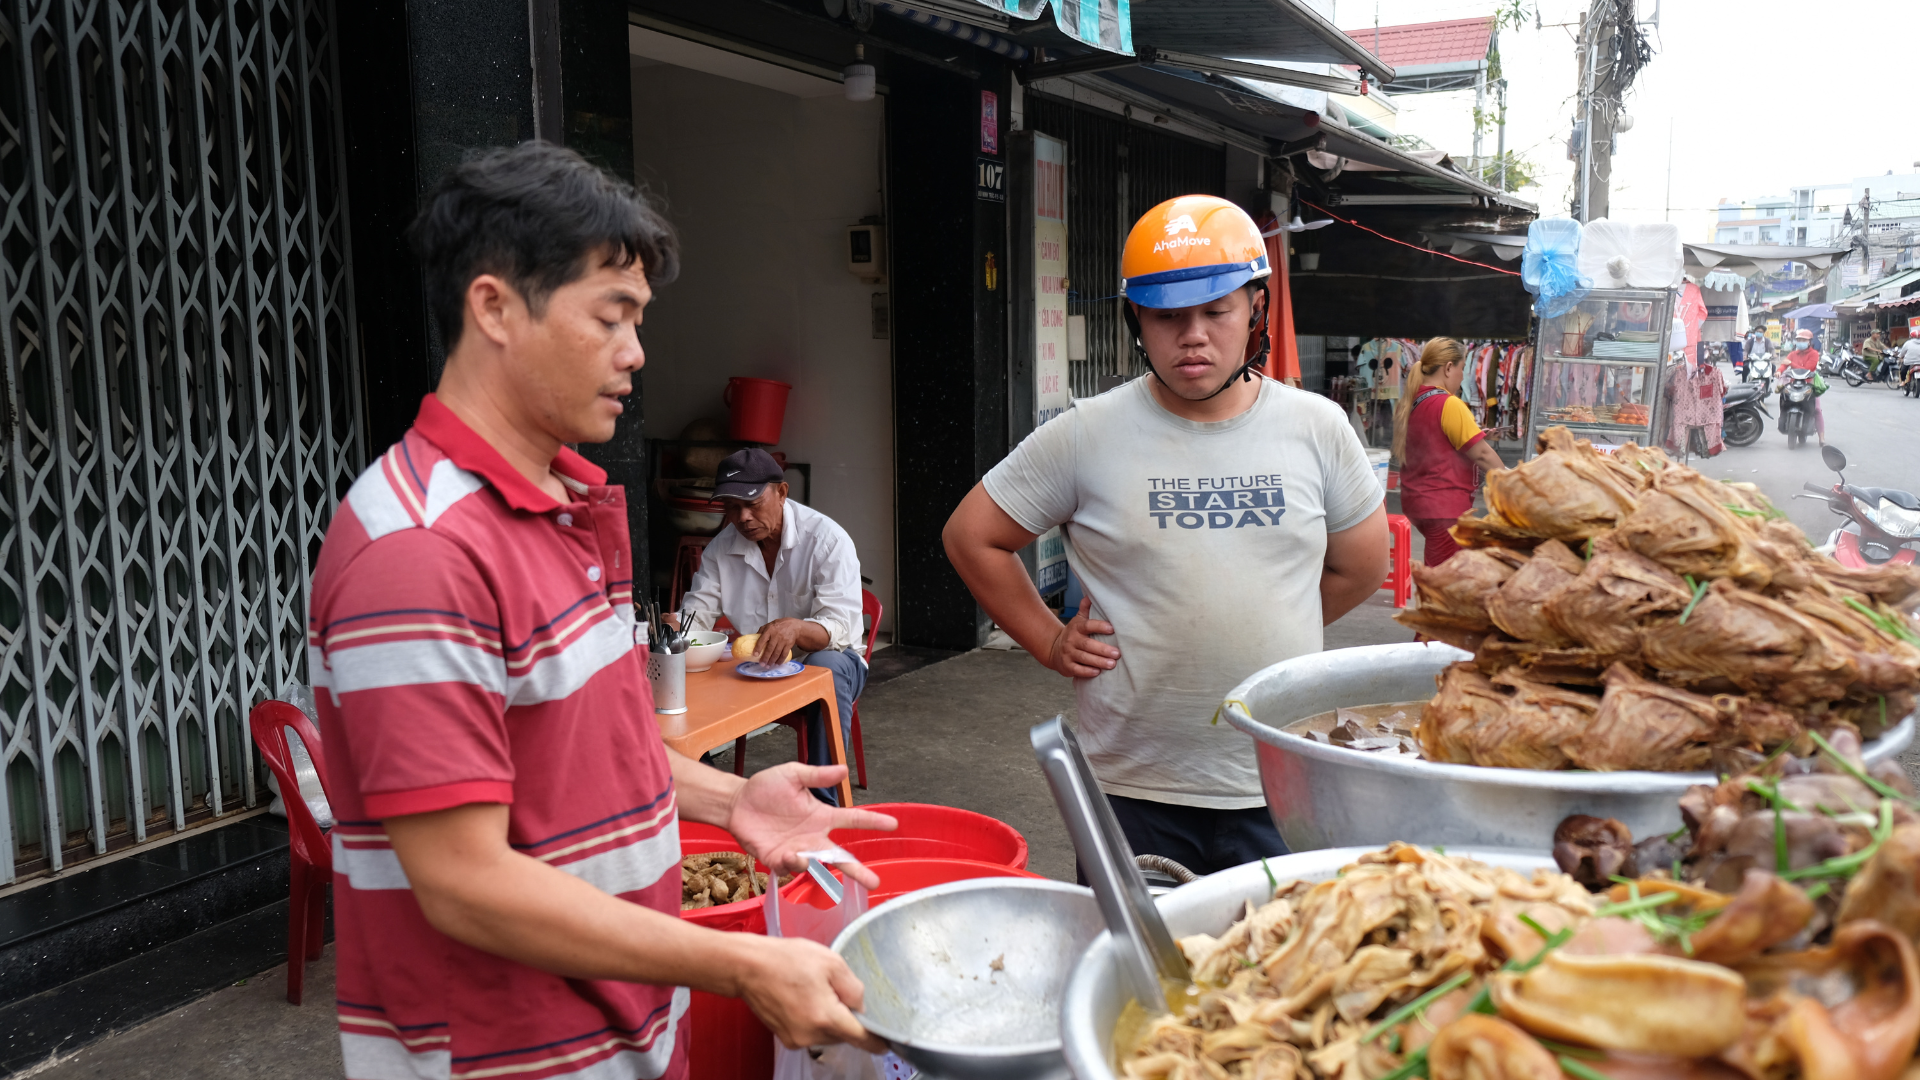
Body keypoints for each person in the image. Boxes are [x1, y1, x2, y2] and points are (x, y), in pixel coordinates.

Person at [309, 143, 892, 1080]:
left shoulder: (556, 511)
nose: (636, 354)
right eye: (611, 318)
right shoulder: (417, 551)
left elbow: (595, 760)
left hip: (615, 1035)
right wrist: (741, 962)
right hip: (509, 1055)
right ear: (494, 306)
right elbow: (464, 885)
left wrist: (734, 799)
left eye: (639, 320)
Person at [942, 195, 1388, 876]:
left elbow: (1361, 567)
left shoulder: (1316, 427)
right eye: (1168, 316)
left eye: (1217, 311)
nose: (1194, 336)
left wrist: (1275, 620)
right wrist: (1049, 641)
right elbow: (972, 536)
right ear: (1137, 321)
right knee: (1143, 972)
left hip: (1280, 771)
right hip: (1133, 783)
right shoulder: (1087, 433)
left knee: (1275, 970)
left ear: (1255, 312)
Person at [676, 448, 866, 804]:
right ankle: (707, 787)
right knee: (682, 665)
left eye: (752, 503)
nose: (743, 517)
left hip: (828, 658)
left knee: (828, 668)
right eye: (731, 506)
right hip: (754, 666)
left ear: (781, 492)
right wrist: (677, 628)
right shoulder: (721, 549)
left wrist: (796, 628)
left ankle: (823, 802)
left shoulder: (826, 540)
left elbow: (840, 629)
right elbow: (695, 618)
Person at [1393, 338, 1507, 566]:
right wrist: (1511, 479)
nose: (1463, 377)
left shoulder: (1413, 400)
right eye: (1462, 368)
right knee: (1444, 579)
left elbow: (1433, 439)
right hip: (1444, 506)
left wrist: (1478, 434)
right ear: (1447, 368)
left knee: (1443, 572)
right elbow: (1482, 454)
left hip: (1420, 502)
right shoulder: (1449, 404)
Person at [1784, 327, 1825, 444]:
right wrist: (1779, 371)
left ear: (1809, 342)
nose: (1800, 342)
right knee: (1784, 400)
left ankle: (1821, 438)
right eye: (1799, 340)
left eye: (1803, 340)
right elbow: (1784, 364)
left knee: (1817, 410)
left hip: (1810, 384)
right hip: (1794, 383)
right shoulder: (1792, 354)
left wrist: (1791, 364)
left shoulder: (1814, 354)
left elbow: (1808, 368)